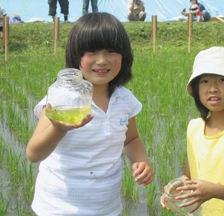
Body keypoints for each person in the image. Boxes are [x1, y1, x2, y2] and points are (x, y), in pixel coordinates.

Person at [26, 12, 153, 215]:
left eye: (111, 51)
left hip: (106, 207)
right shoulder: (61, 99)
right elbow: (34, 154)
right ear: (76, 56)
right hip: (58, 208)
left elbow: (131, 140)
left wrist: (141, 161)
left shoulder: (124, 98)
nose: (102, 60)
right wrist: (58, 129)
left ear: (124, 56)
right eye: (92, 52)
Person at [160, 46, 224, 215]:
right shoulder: (194, 128)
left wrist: (214, 191)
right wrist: (174, 190)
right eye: (204, 81)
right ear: (196, 89)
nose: (213, 88)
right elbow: (189, 178)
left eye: (222, 80)